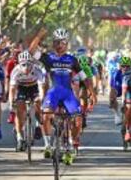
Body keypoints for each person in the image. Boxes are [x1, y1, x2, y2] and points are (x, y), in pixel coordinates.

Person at [30, 28, 96, 165]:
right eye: (57, 42)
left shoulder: (72, 60)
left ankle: (71, 145)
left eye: (63, 43)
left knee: (78, 119)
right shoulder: (48, 58)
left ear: (67, 44)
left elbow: (85, 78)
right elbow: (31, 51)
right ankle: (48, 145)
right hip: (53, 92)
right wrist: (39, 36)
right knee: (46, 116)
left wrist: (92, 93)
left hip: (67, 94)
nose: (60, 45)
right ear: (53, 43)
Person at [9, 51, 46, 151]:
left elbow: (41, 88)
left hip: (34, 87)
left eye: (28, 65)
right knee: (19, 110)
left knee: (38, 103)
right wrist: (11, 103)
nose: (26, 67)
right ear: (19, 64)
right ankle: (19, 137)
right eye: (23, 65)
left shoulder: (37, 70)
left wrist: (41, 99)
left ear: (32, 64)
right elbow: (12, 90)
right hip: (21, 88)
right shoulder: (15, 71)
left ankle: (39, 123)